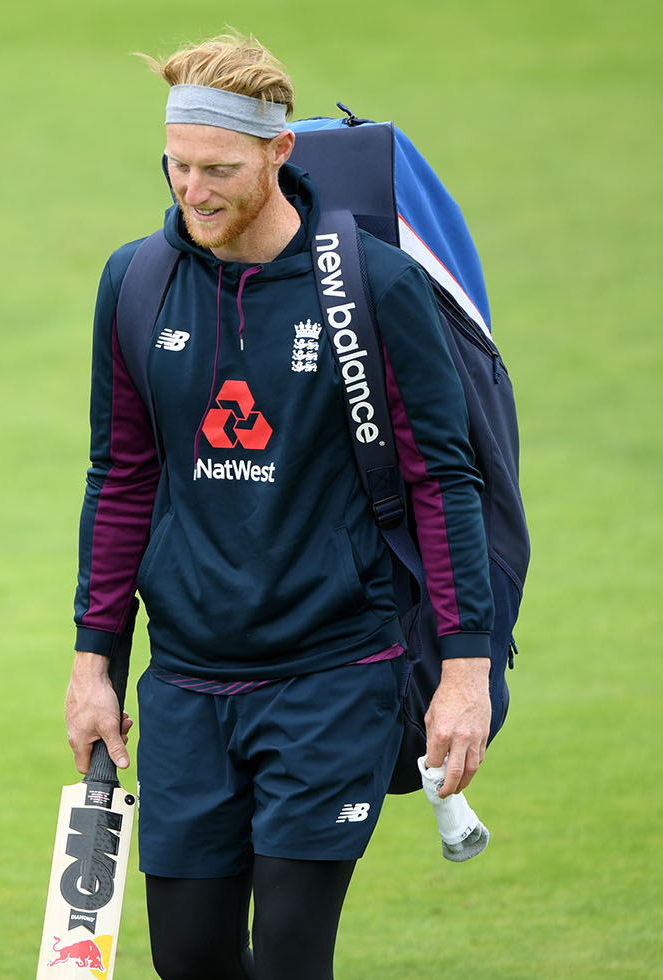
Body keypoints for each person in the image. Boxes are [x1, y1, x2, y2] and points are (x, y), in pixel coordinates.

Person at [64, 35, 493, 980]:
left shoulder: (374, 288)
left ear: (279, 153)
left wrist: (465, 669)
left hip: (333, 677)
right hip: (183, 686)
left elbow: (441, 481)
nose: (194, 191)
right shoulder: (136, 283)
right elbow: (122, 476)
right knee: (191, 960)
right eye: (177, 168)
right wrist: (96, 660)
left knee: (290, 960)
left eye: (219, 169)